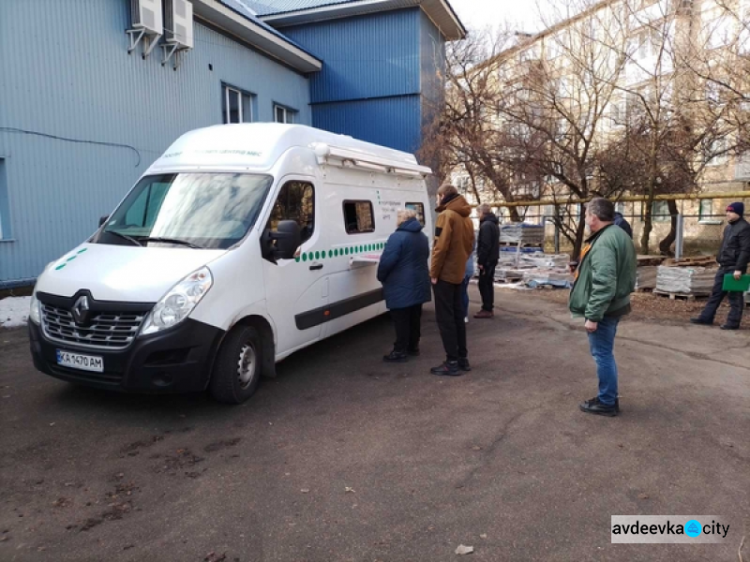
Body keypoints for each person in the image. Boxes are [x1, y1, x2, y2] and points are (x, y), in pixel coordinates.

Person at [569, 197, 636, 417]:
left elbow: (605, 282)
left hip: (606, 309)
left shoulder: (605, 242)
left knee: (603, 354)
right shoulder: (618, 234)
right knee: (604, 353)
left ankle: (607, 401)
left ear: (594, 218)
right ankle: (607, 396)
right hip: (615, 305)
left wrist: (593, 316)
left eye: (587, 214)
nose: (586, 218)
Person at [430, 183, 475, 376]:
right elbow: (470, 245)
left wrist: (434, 272)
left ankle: (452, 362)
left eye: (437, 196)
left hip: (445, 275)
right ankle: (462, 358)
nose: (437, 200)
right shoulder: (466, 218)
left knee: (445, 318)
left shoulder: (446, 215)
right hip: (458, 272)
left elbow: (439, 247)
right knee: (457, 316)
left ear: (442, 195)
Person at [377, 209, 431, 362]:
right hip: (419, 281)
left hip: (400, 284)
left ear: (401, 219)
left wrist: (381, 276)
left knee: (401, 319)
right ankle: (413, 347)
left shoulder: (397, 237)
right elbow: (425, 256)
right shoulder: (422, 237)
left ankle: (400, 350)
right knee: (414, 317)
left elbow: (387, 261)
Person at [690, 202, 750, 330]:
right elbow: (724, 246)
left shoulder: (745, 228)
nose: (727, 214)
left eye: (730, 211)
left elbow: (746, 250)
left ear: (738, 213)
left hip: (734, 268)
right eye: (727, 211)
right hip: (723, 266)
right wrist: (719, 259)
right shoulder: (728, 228)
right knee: (716, 294)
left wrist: (739, 268)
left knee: (734, 297)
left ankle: (733, 322)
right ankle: (706, 317)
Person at [474, 204, 500, 318]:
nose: (477, 216)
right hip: (493, 257)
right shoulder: (493, 224)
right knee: (488, 283)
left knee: (483, 283)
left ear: (481, 212)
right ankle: (488, 307)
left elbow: (485, 245)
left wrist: (481, 261)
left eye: (477, 213)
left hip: (488, 259)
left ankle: (487, 308)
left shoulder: (486, 226)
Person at [461, 241, 476, 323]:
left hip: (462, 268)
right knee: (463, 292)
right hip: (469, 267)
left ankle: (463, 314)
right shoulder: (471, 235)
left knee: (461, 293)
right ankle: (464, 315)